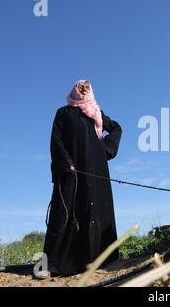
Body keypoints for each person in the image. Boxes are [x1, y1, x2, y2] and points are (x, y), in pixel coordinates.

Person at [43, 80, 122, 275]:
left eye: (87, 87)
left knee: (94, 209)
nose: (84, 90)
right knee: (64, 211)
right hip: (71, 171)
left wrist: (104, 150)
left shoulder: (96, 112)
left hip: (96, 172)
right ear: (74, 90)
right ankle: (54, 263)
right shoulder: (63, 113)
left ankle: (99, 259)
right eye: (81, 87)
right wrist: (65, 162)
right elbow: (56, 139)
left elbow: (116, 129)